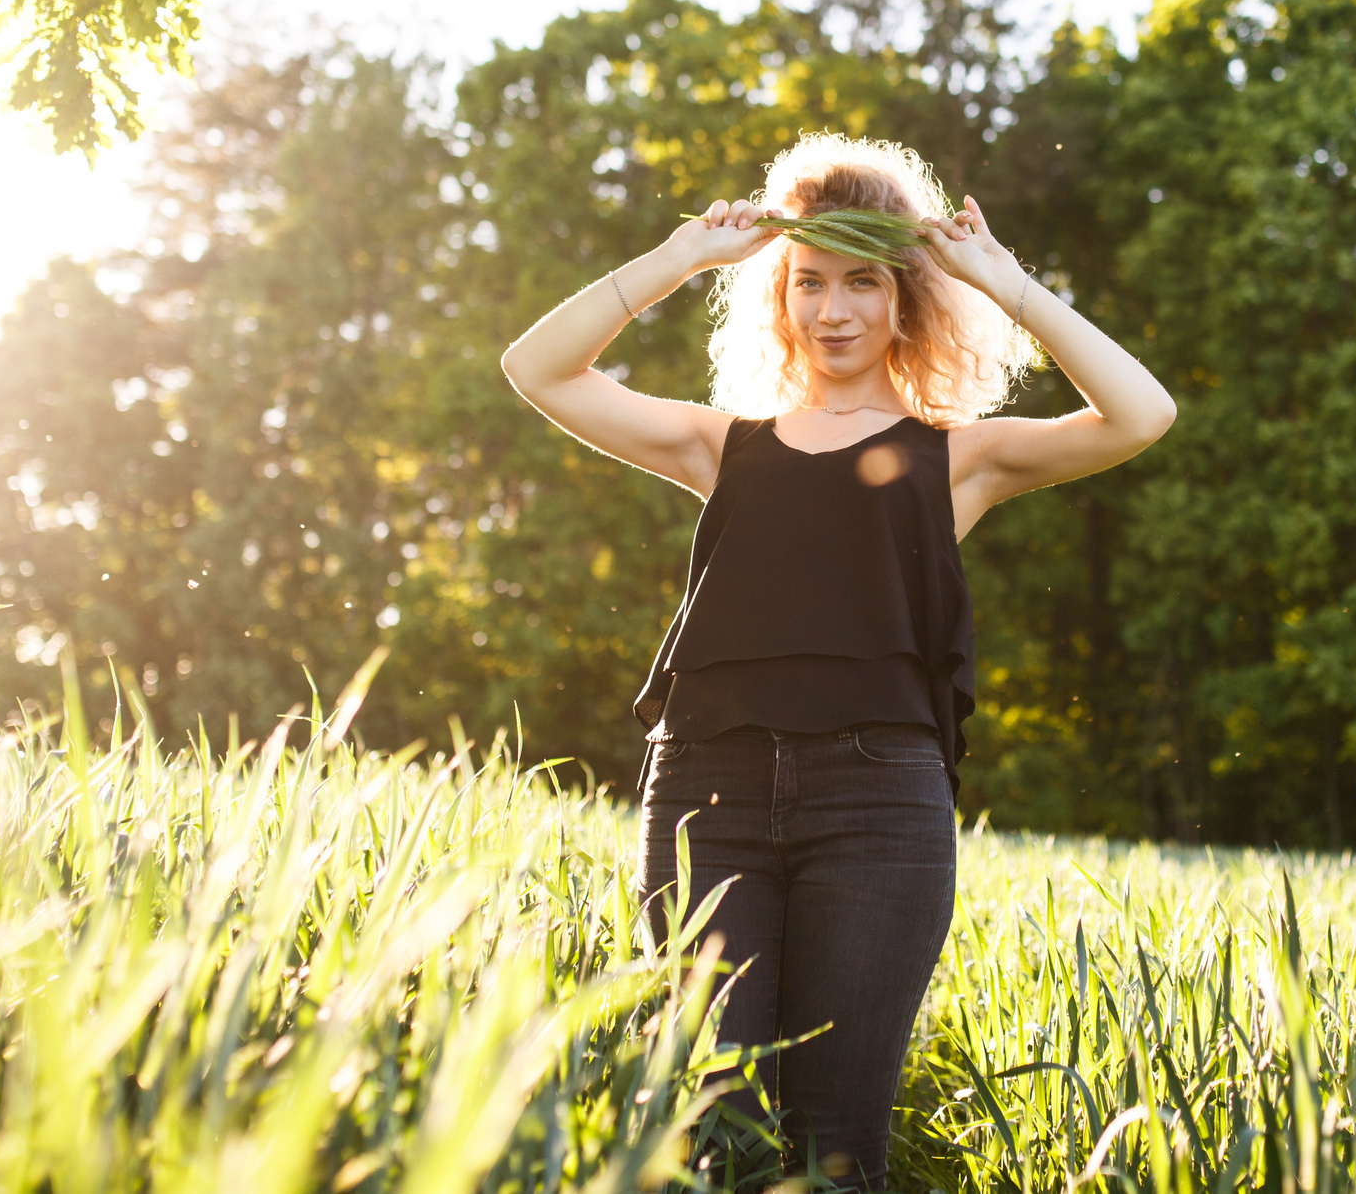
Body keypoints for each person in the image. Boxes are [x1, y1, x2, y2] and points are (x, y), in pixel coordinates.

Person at [500, 132, 1175, 1188]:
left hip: (877, 811)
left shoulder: (958, 459)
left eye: (863, 282)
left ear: (907, 299)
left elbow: (1141, 415)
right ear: (779, 298)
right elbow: (533, 367)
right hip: (705, 797)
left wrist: (1005, 285)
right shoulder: (721, 446)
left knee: (833, 1149)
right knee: (717, 1128)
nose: (834, 309)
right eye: (809, 282)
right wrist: (680, 257)